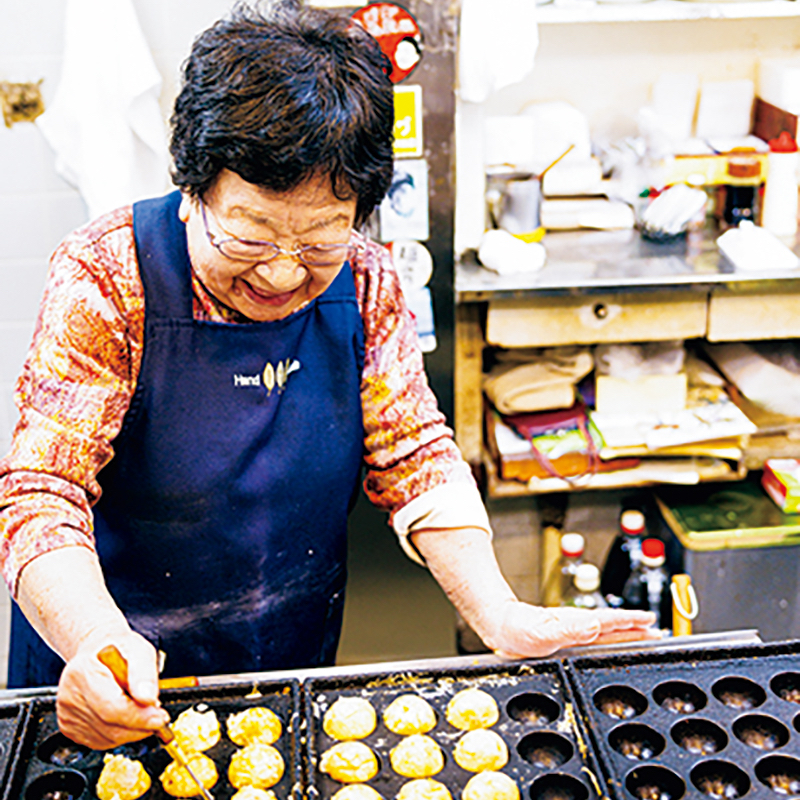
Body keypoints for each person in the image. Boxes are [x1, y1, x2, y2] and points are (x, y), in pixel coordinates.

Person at [0, 3, 657, 749]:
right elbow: (40, 489)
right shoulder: (108, 274)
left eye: (321, 240)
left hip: (285, 662)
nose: (282, 272)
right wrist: (94, 643)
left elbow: (414, 456)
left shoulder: (371, 283)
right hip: (105, 664)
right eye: (248, 235)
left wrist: (499, 613)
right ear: (191, 189)